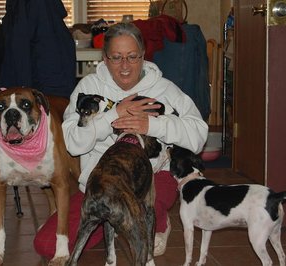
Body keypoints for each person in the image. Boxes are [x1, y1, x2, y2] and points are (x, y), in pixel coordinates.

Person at [34, 22, 208, 259]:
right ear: (105, 58)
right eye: (116, 57)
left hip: (150, 181)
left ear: (143, 56)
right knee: (47, 246)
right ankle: (115, 224)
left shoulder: (165, 89)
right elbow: (72, 143)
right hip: (102, 185)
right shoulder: (88, 88)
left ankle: (156, 221)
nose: (125, 65)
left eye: (132, 56)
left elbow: (198, 136)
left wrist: (152, 125)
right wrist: (113, 116)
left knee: (140, 235)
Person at [0, 0, 76, 98]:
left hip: (33, 91)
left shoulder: (33, 7)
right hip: (42, 89)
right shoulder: (41, 11)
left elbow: (20, 51)